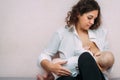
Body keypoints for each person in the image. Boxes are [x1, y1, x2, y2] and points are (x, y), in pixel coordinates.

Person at [37, 0, 114, 80]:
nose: (92, 22)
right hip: (70, 76)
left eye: (95, 19)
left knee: (85, 56)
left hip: (94, 76)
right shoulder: (62, 33)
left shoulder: (100, 33)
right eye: (89, 18)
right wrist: (50, 67)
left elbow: (108, 62)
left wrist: (96, 64)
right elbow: (44, 55)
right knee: (67, 79)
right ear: (78, 14)